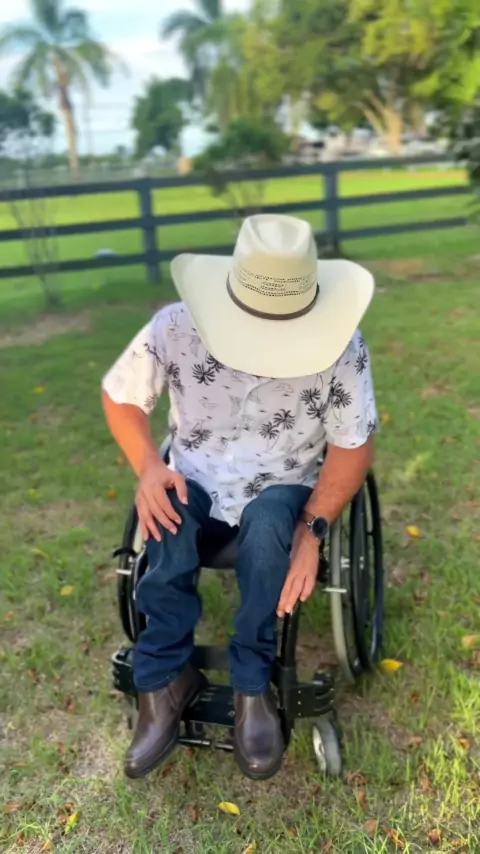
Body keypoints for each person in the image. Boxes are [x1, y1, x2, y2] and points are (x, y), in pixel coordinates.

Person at [102, 214, 377, 782]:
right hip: (195, 472)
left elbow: (353, 445)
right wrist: (149, 468)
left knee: (272, 525)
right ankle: (164, 678)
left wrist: (315, 529)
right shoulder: (175, 326)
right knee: (167, 516)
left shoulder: (342, 348)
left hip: (283, 481)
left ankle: (254, 684)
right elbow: (122, 395)